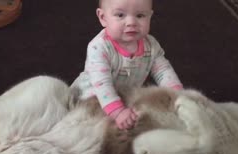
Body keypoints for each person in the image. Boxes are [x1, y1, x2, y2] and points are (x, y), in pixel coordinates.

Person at [71, 0, 183, 130]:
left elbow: (163, 71)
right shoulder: (99, 47)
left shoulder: (151, 46)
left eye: (140, 16)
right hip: (91, 97)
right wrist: (117, 111)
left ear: (150, 16)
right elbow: (102, 83)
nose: (131, 22)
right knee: (100, 125)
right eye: (120, 15)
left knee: (141, 116)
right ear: (103, 18)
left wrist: (177, 95)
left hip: (123, 98)